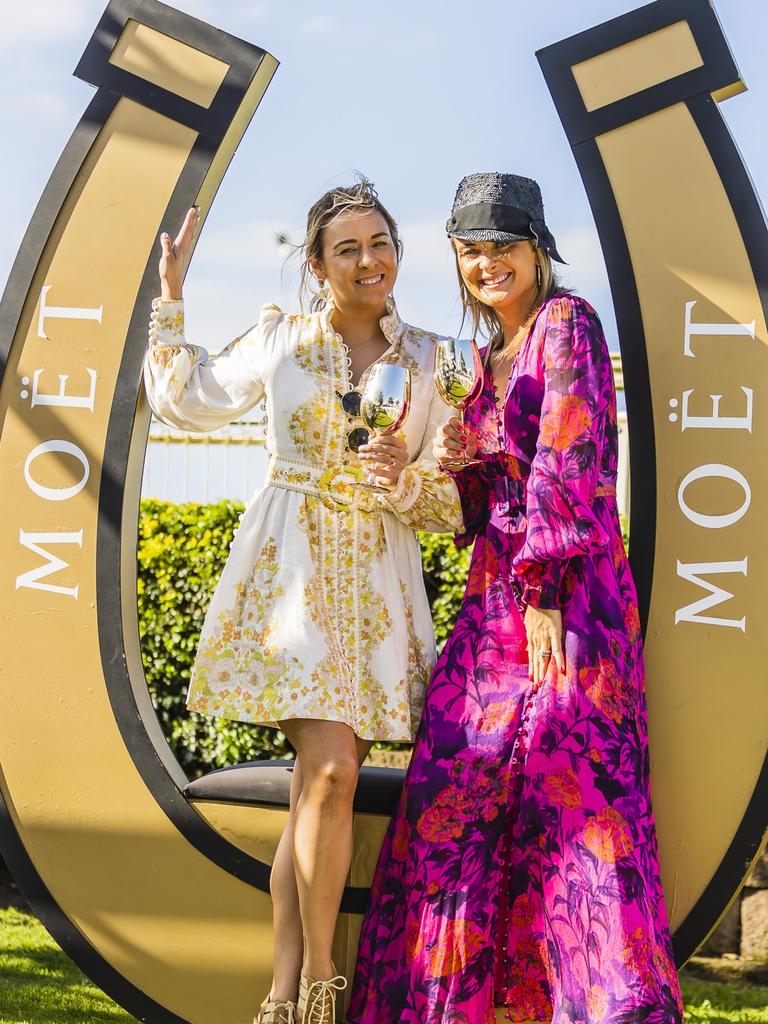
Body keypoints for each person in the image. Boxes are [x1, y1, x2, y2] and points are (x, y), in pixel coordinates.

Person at [349, 172, 684, 1024]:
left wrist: (541, 593)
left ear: (538, 246)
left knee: (577, 806)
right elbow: (472, 507)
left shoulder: (568, 324)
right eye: (472, 249)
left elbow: (570, 463)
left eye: (504, 244)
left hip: (568, 601)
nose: (488, 261)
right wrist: (444, 464)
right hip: (493, 600)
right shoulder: (482, 362)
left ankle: (613, 1009)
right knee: (450, 801)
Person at [142, 178, 462, 1024]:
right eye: (348, 247)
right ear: (318, 265)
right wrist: (171, 297)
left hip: (378, 595)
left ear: (399, 251)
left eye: (381, 242)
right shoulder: (280, 340)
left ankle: (283, 999)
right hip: (286, 586)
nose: (369, 260)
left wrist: (406, 481)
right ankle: (325, 983)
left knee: (318, 791)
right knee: (330, 770)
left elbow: (454, 503)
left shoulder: (434, 360)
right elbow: (186, 399)